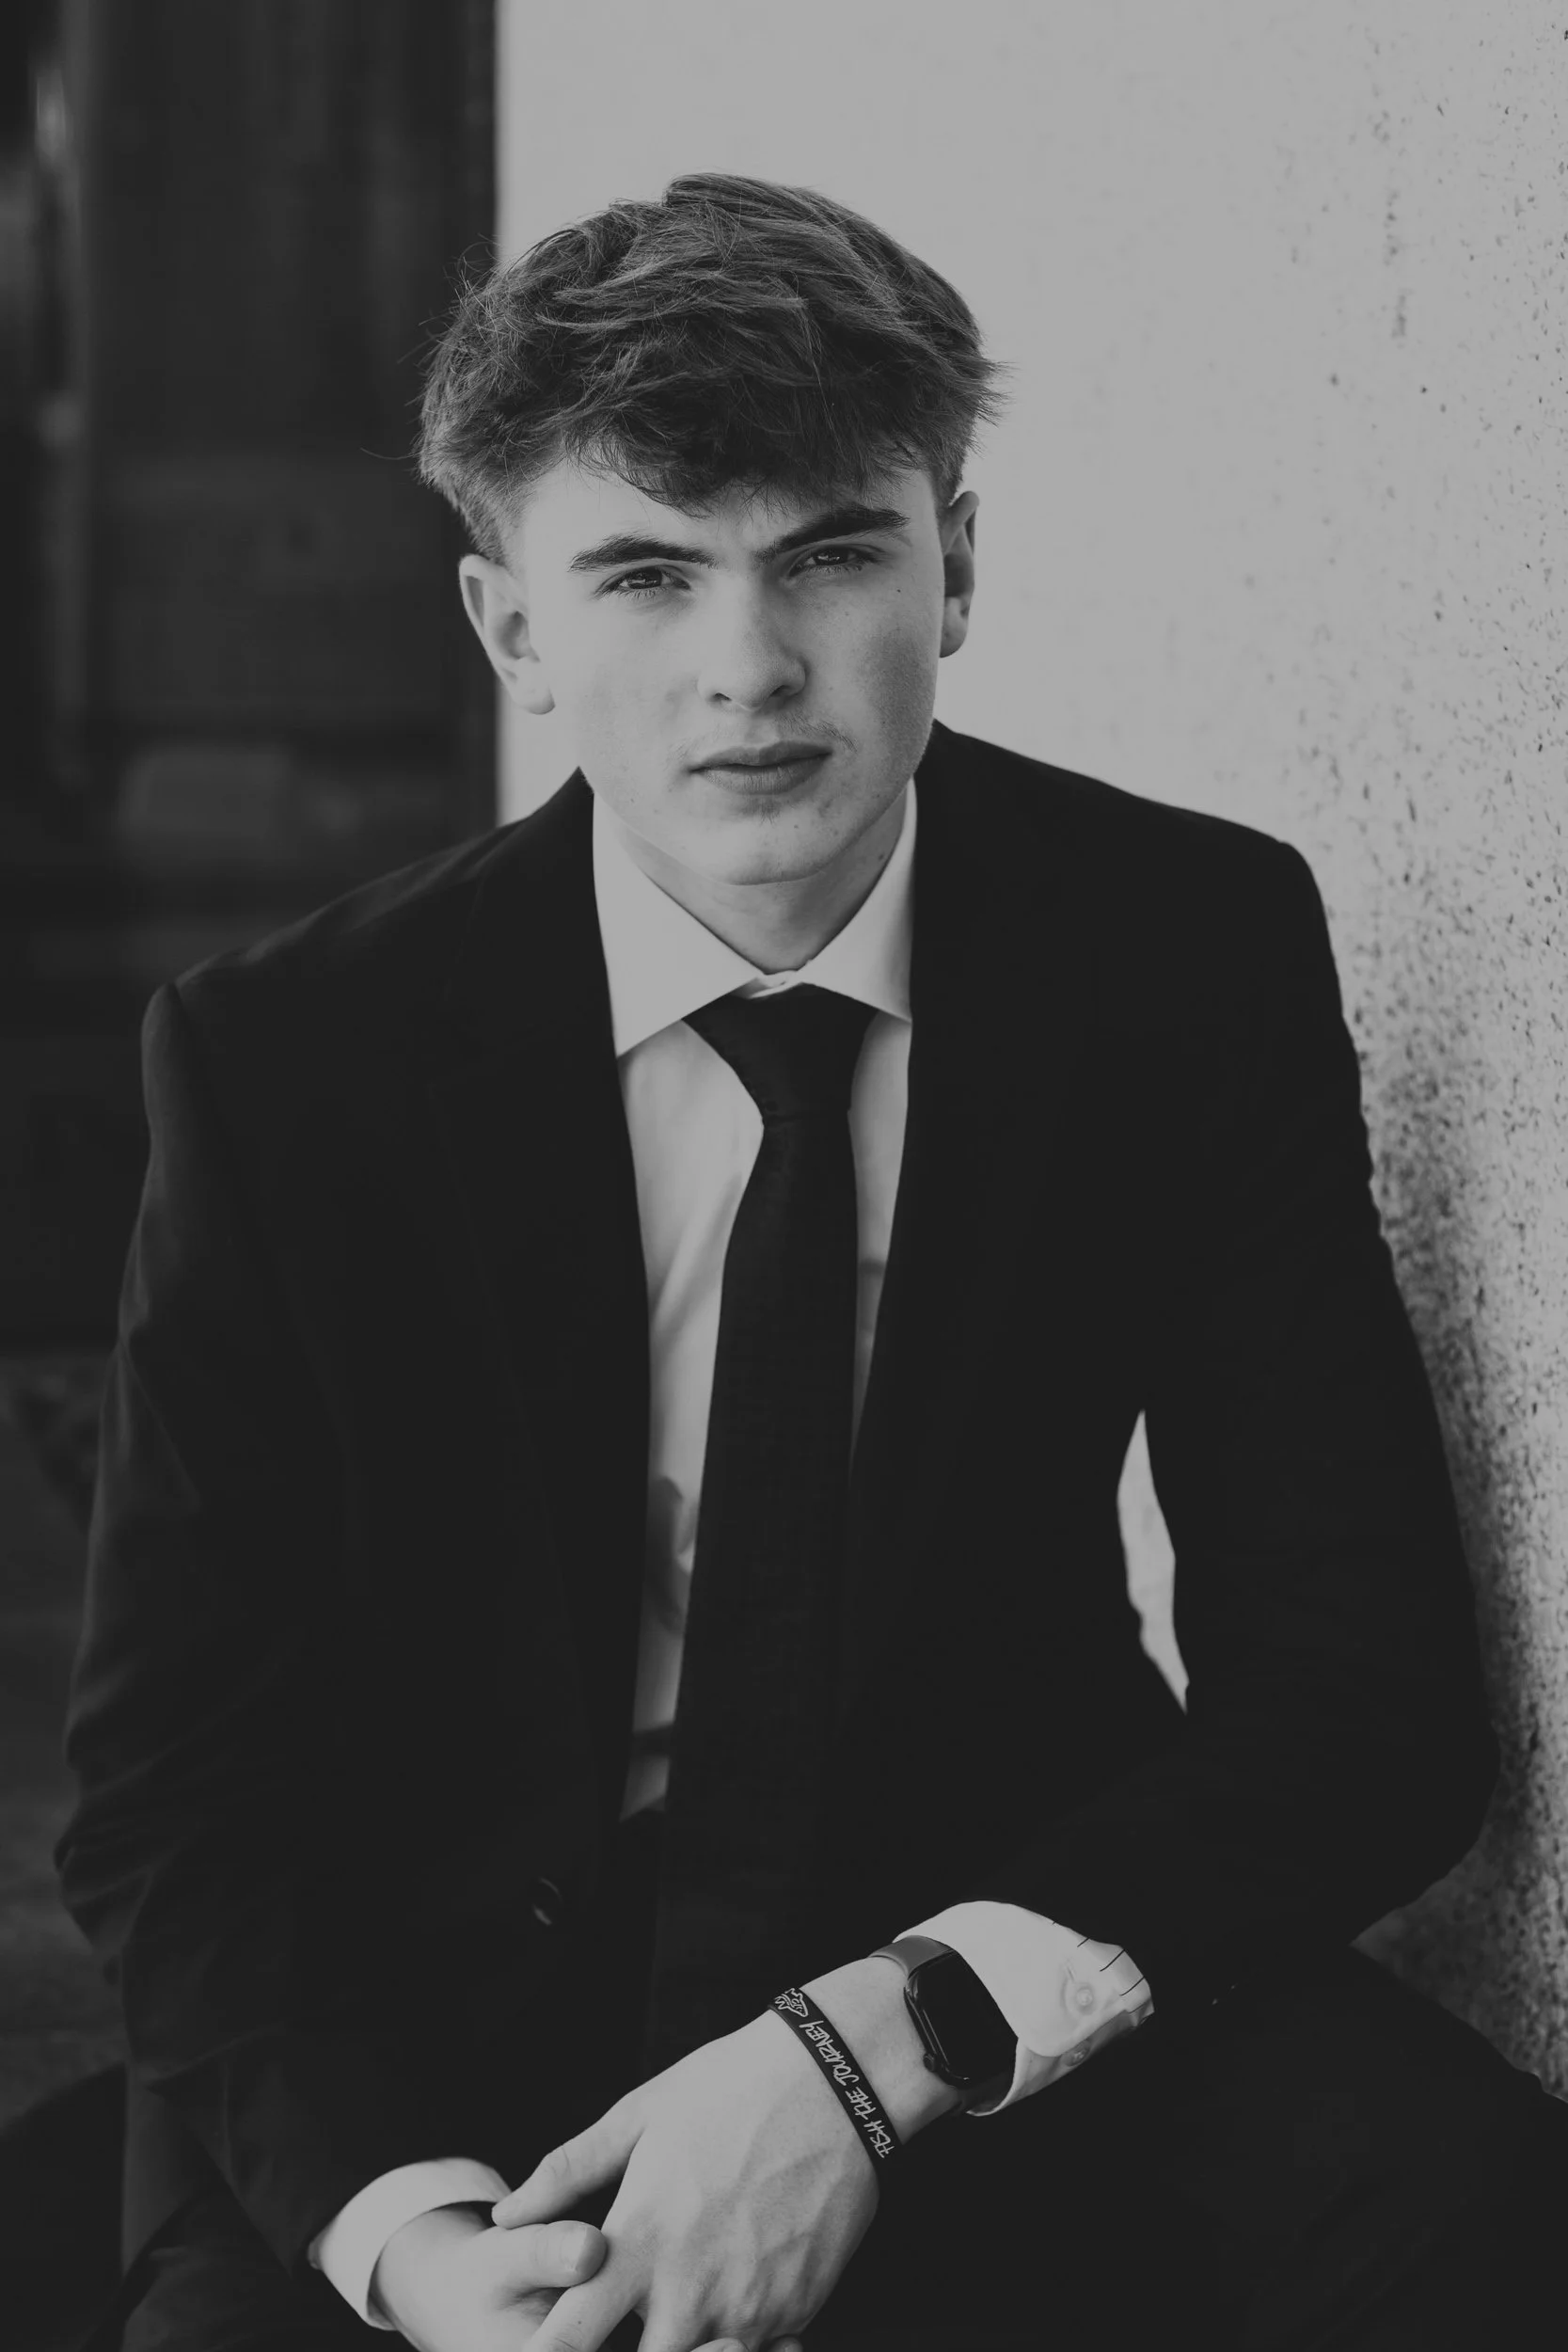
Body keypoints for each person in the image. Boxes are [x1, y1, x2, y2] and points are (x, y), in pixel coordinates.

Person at [58, 173, 1565, 2352]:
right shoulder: (293, 1060)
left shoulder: (1179, 952)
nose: (747, 668)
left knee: (1477, 2217)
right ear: (507, 628)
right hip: (426, 2009)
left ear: (957, 567)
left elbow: (1364, 1696)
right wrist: (415, 2236)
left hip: (981, 1933)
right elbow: (178, 1787)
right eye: (644, 573)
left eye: (832, 554)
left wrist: (874, 2048)